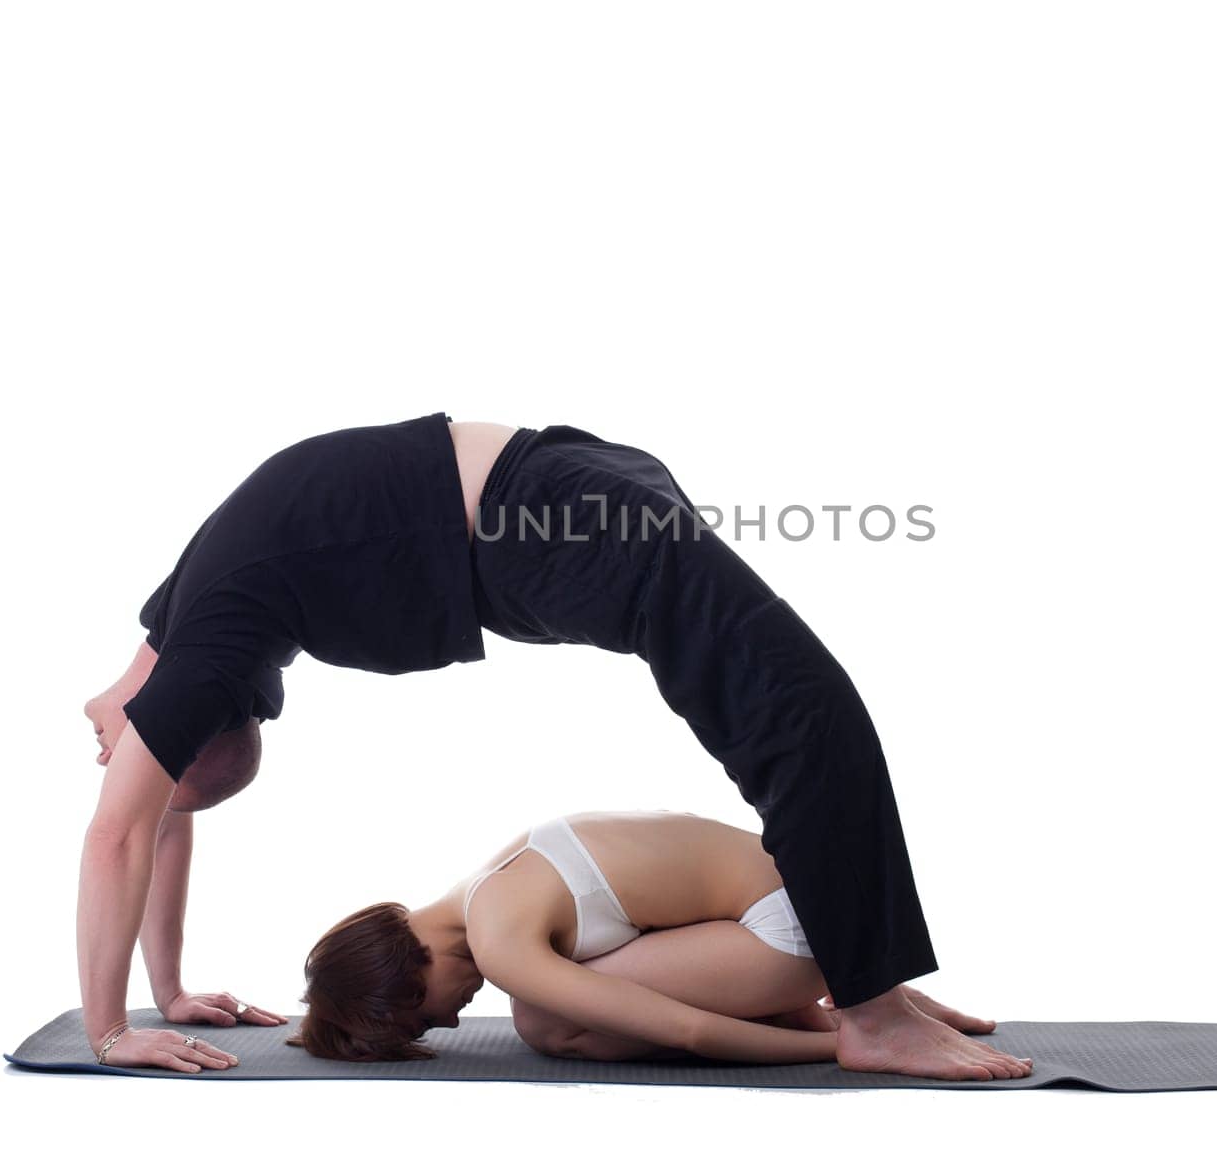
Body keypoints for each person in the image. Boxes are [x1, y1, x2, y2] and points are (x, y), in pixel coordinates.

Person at [80, 413, 1026, 1080]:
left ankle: (869, 1009)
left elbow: (121, 834)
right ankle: (867, 987)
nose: (119, 765)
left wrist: (111, 1030)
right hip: (549, 505)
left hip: (543, 514)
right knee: (788, 705)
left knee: (799, 711)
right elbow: (153, 823)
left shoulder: (199, 651)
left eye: (143, 762)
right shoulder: (192, 622)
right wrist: (164, 991)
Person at [287, 809, 1029, 1075]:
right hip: (814, 904)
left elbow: (689, 1029)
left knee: (548, 1022)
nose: (450, 1023)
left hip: (793, 931)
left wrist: (843, 1045)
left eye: (424, 1018)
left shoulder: (501, 937)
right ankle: (870, 987)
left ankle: (863, 1016)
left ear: (406, 983)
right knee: (548, 1007)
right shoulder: (490, 878)